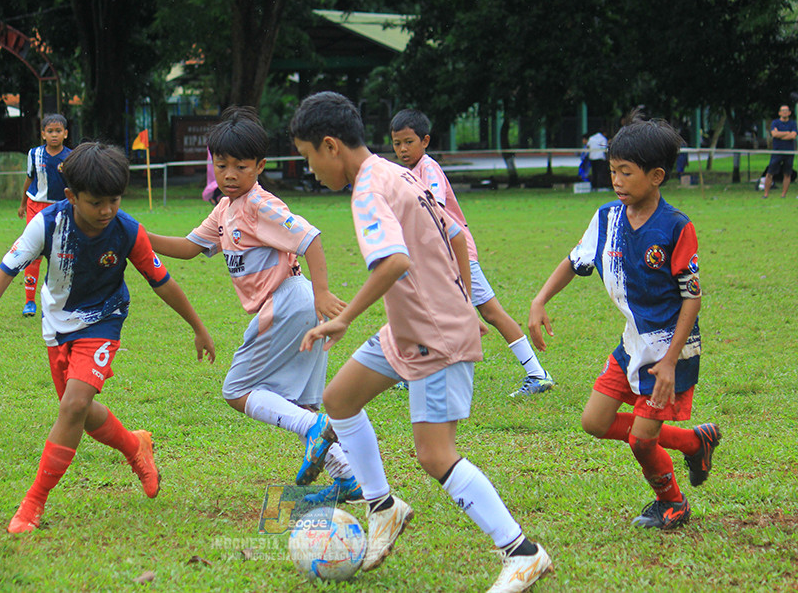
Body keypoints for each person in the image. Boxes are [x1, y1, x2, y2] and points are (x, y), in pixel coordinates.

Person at [292, 92, 552, 593]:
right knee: (339, 399)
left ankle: (521, 552)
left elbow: (394, 262)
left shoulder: (368, 190)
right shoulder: (399, 172)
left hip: (431, 335)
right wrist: (455, 294)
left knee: (435, 455)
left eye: (308, 158)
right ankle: (383, 507)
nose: (310, 170)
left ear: (330, 146)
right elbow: (456, 233)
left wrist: (343, 318)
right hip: (412, 327)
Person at [0, 142, 216, 534]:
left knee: (74, 404)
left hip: (104, 321)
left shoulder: (127, 230)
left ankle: (32, 506)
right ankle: (134, 446)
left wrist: (198, 326)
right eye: (96, 202)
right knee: (77, 410)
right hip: (57, 326)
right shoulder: (46, 224)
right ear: (71, 196)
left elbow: (162, 282)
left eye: (113, 200)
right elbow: (5, 271)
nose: (107, 210)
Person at [147, 107, 361, 505]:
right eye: (221, 165)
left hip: (289, 302)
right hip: (295, 306)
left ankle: (318, 430)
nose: (229, 175)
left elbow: (310, 238)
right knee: (303, 403)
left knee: (236, 389)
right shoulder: (226, 209)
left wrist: (322, 292)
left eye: (240, 167)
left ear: (259, 166)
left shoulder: (260, 205)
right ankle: (347, 479)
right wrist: (139, 237)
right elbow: (191, 248)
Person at [528, 119, 721, 531]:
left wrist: (669, 363)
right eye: (613, 170)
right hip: (633, 344)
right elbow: (575, 260)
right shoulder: (607, 218)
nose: (615, 180)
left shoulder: (675, 226)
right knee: (594, 422)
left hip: (670, 350)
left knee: (641, 439)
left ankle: (673, 503)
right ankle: (693, 441)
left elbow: (692, 297)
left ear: (656, 177)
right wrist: (540, 299)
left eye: (625, 172)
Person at [391, 109, 554, 397]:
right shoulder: (407, 173)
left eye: (408, 142)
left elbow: (433, 210)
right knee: (423, 307)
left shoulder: (428, 169)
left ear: (425, 141)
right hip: (431, 255)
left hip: (456, 253)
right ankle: (419, 372)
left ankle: (538, 374)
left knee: (490, 312)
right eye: (396, 143)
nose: (402, 149)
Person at [18, 114, 72, 317]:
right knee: (34, 253)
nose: (54, 135)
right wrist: (23, 203)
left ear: (65, 133)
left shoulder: (70, 157)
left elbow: (74, 184)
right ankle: (29, 301)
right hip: (36, 207)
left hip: (61, 208)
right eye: (50, 131)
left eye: (58, 131)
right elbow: (29, 179)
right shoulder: (34, 154)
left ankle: (57, 301)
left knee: (60, 254)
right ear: (43, 134)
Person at [762, 104, 796, 199]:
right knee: (770, 173)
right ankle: (766, 194)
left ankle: (783, 195)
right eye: (783, 110)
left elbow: (793, 136)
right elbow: (774, 134)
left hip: (789, 152)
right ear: (779, 113)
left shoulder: (793, 124)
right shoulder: (775, 122)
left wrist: (780, 134)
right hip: (777, 152)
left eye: (786, 110)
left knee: (787, 173)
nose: (784, 112)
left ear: (789, 112)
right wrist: (786, 133)